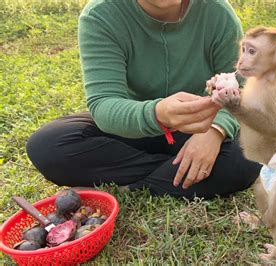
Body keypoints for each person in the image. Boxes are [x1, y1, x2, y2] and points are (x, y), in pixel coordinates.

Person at [26, 0, 262, 199]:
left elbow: (240, 89)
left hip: (198, 126)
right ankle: (177, 174)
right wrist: (157, 113)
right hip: (134, 127)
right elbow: (104, 103)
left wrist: (215, 131)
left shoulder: (216, 12)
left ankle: (130, 187)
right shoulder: (101, 15)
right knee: (48, 145)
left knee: (249, 156)